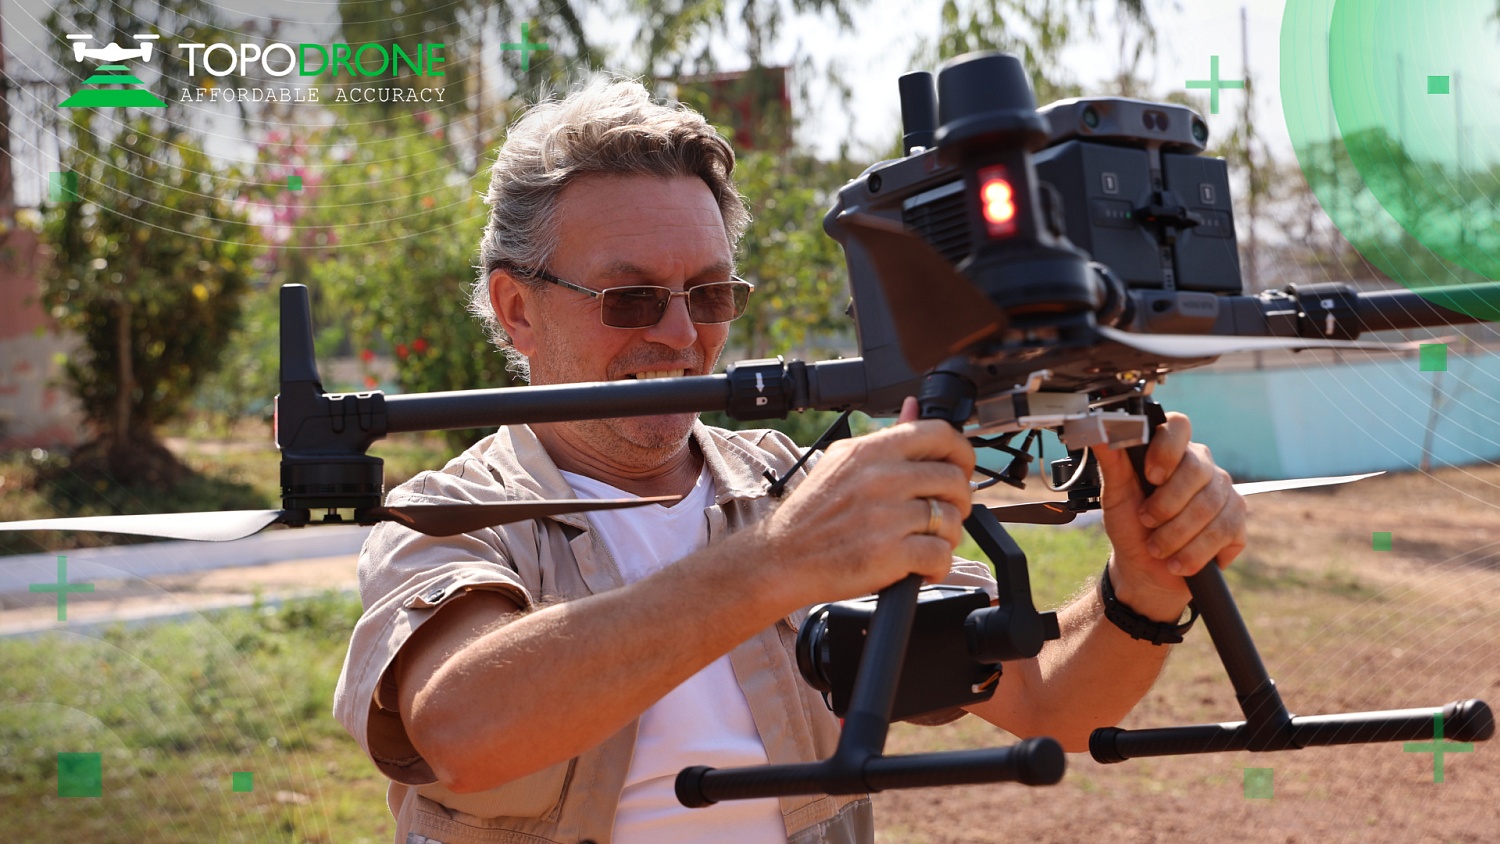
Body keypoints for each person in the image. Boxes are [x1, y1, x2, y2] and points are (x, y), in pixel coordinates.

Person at [333, 77, 1247, 844]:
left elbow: (1052, 708)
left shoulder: (797, 482)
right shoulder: (449, 512)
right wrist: (778, 562)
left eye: (710, 293)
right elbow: (461, 729)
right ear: (518, 308)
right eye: (631, 299)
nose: (683, 336)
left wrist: (1148, 582)